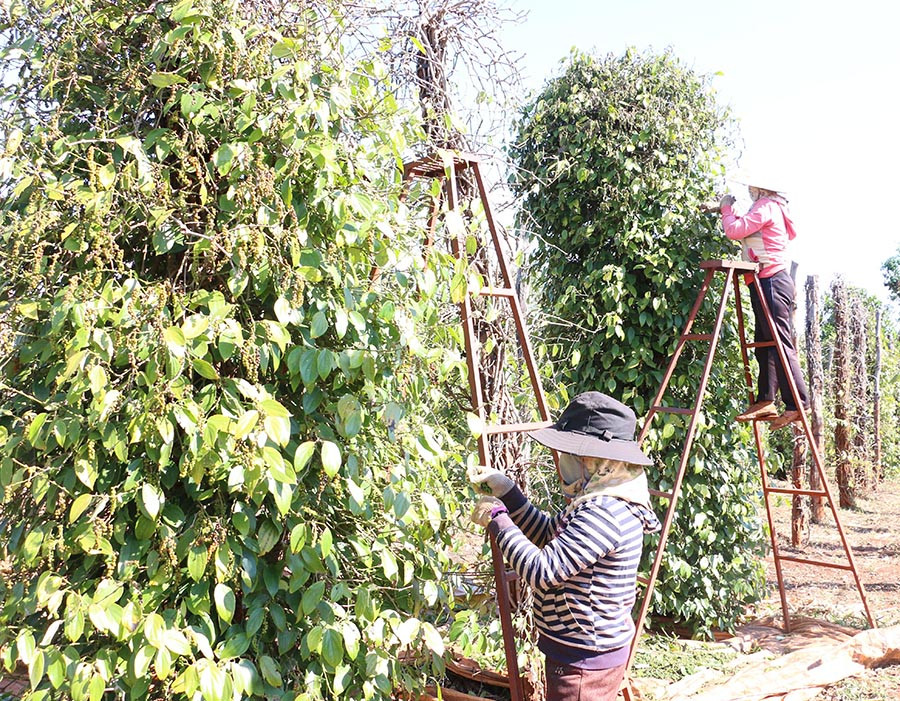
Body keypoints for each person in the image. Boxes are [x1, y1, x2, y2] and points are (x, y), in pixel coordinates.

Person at [468, 391, 661, 701]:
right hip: (583, 652)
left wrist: (499, 521)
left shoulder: (604, 511)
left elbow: (542, 571)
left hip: (584, 661)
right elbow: (548, 535)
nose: (564, 462)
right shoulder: (601, 499)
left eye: (570, 455)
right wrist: (508, 492)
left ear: (593, 461)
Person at [714, 180, 810, 429]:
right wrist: (723, 209)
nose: (749, 192)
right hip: (765, 281)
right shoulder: (770, 207)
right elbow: (746, 228)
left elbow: (734, 230)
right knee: (766, 344)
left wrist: (726, 209)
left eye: (752, 188)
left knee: (779, 344)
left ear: (761, 190)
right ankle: (766, 399)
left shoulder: (766, 206)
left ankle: (798, 403)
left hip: (772, 281)